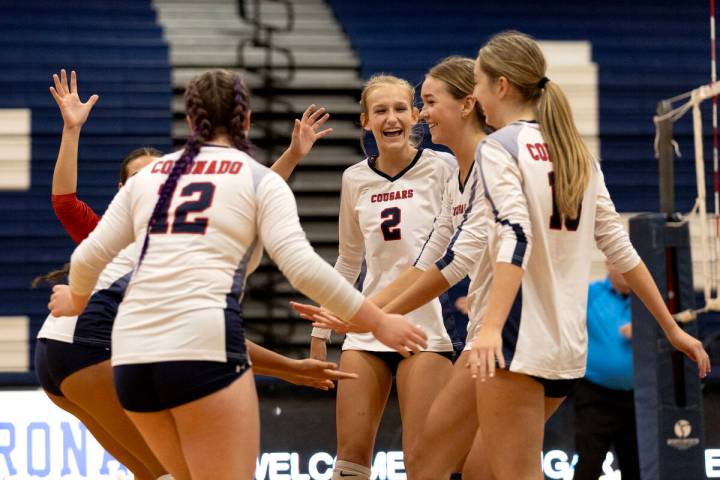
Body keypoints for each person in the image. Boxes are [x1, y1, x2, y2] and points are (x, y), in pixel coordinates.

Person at [303, 31, 711, 480]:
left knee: (454, 465)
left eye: (473, 84)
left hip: (508, 343)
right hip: (566, 351)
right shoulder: (575, 150)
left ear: (499, 87)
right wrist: (670, 326)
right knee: (471, 468)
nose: (470, 96)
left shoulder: (497, 151)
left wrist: (491, 327)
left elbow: (500, 242)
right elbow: (621, 248)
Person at [48, 69, 427, 480]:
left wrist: (78, 299)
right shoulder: (258, 178)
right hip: (201, 344)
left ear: (192, 122)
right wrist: (379, 322)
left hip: (131, 356)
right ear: (246, 120)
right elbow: (301, 267)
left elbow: (89, 256)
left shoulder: (152, 176)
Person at [295, 57, 492, 479]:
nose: (392, 118)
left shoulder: (444, 166)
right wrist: (320, 331)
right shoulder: (354, 179)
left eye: (401, 108)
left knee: (422, 458)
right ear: (366, 121)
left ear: (416, 115)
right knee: (349, 458)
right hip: (368, 323)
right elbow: (349, 260)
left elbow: (443, 258)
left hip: (427, 325)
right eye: (381, 111)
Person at [573, 263, 639, 480]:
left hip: (637, 398)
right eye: (621, 265)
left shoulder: (645, 298)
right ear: (608, 265)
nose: (627, 271)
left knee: (636, 465)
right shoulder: (591, 294)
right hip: (594, 396)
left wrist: (644, 329)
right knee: (588, 464)